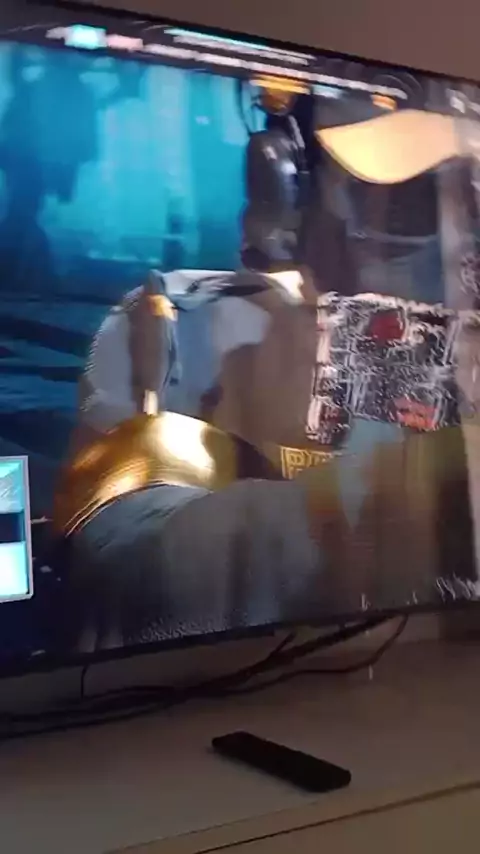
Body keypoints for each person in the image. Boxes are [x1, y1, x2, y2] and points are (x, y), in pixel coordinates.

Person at [55, 86, 479, 653]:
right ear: (285, 184)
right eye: (416, 201)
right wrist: (428, 492)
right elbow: (121, 573)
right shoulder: (179, 329)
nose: (459, 241)